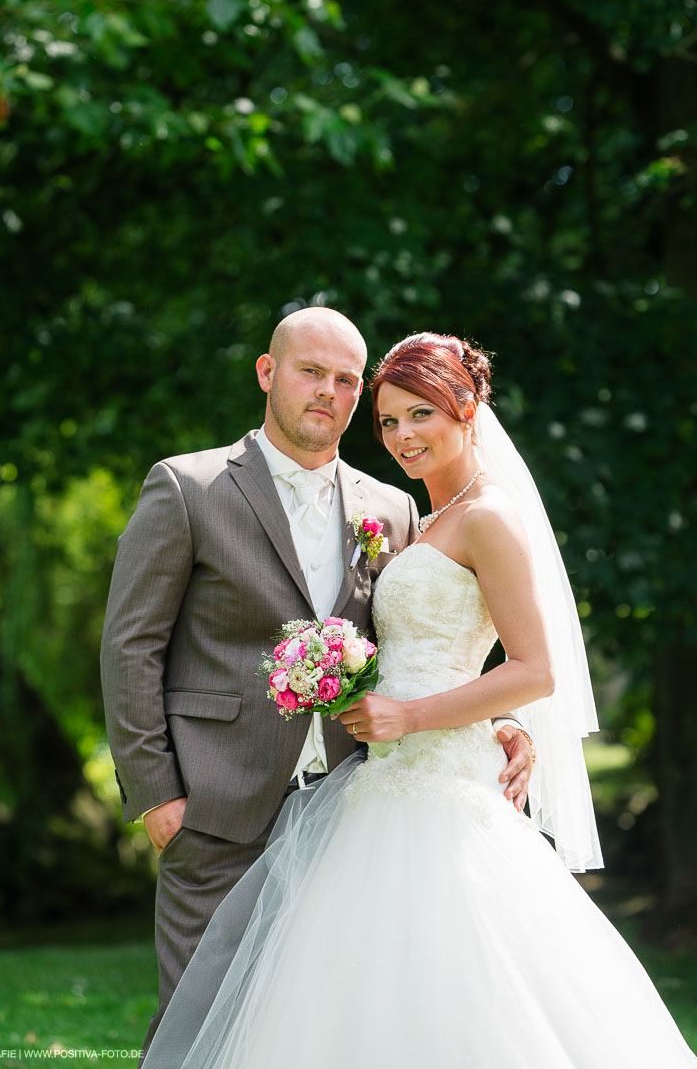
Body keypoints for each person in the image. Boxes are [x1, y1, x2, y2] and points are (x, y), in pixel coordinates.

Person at [141, 332, 697, 1069]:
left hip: (441, 791)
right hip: (373, 786)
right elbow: (439, 648)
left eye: (421, 416)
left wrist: (430, 717)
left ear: (467, 409)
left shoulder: (491, 516)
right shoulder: (416, 519)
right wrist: (486, 715)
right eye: (390, 422)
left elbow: (534, 668)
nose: (403, 437)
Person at [100, 310, 534, 1058]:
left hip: (354, 811)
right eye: (310, 371)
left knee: (323, 1031)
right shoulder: (188, 486)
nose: (327, 391)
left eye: (345, 380)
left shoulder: (393, 508)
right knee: (198, 1029)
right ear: (268, 374)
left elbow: (414, 643)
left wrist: (496, 720)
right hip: (217, 810)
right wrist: (159, 796)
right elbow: (131, 645)